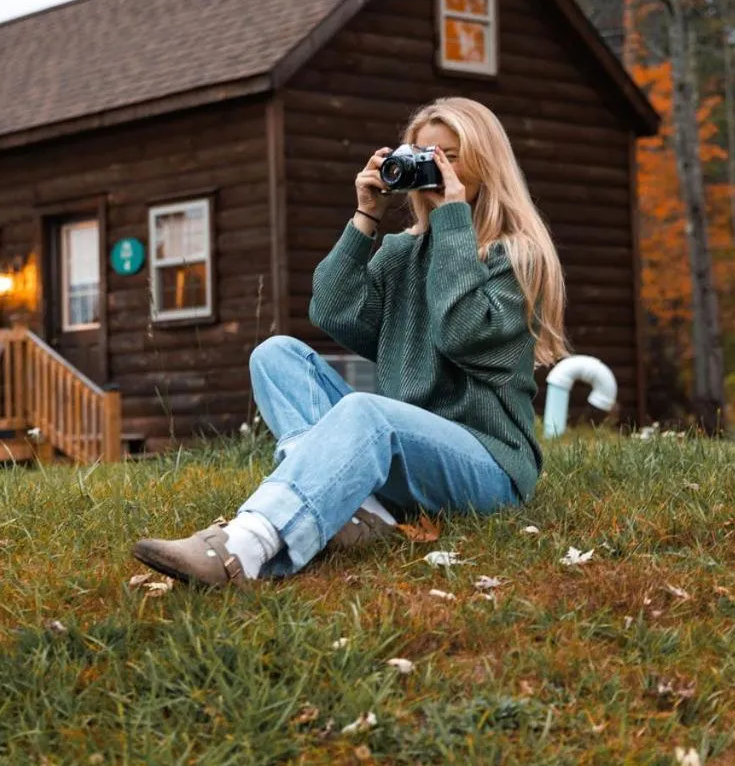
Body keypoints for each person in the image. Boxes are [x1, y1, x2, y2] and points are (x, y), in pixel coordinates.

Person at [132, 96, 567, 587]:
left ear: (487, 164)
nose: (436, 169)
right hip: (405, 456)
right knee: (275, 355)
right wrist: (366, 217)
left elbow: (461, 333)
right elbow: (333, 311)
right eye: (423, 156)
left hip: (487, 466)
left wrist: (451, 222)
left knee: (366, 411)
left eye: (450, 156)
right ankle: (364, 510)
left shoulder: (518, 256)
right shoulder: (404, 252)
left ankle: (245, 546)